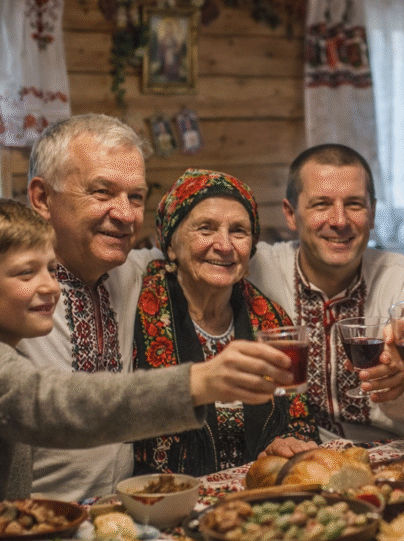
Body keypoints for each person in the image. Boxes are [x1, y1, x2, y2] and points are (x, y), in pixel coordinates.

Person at [0, 198, 295, 526]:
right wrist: (197, 382)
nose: (50, 286)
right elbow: (46, 404)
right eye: (25, 273)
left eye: (50, 269)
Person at [0, 113, 153, 502]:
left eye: (137, 197)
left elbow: (205, 249)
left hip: (116, 518)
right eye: (102, 192)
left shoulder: (132, 270)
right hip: (22, 529)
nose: (126, 215)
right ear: (42, 197)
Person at [131, 169, 319, 477]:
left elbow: (298, 414)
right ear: (171, 246)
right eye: (206, 229)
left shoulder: (271, 320)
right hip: (166, 498)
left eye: (239, 231)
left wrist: (289, 441)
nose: (225, 245)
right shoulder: (139, 312)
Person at [246, 143, 404, 442]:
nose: (339, 221)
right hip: (303, 457)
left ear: (372, 213)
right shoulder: (257, 269)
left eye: (355, 204)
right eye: (321, 204)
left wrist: (398, 382)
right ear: (291, 213)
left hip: (396, 458)